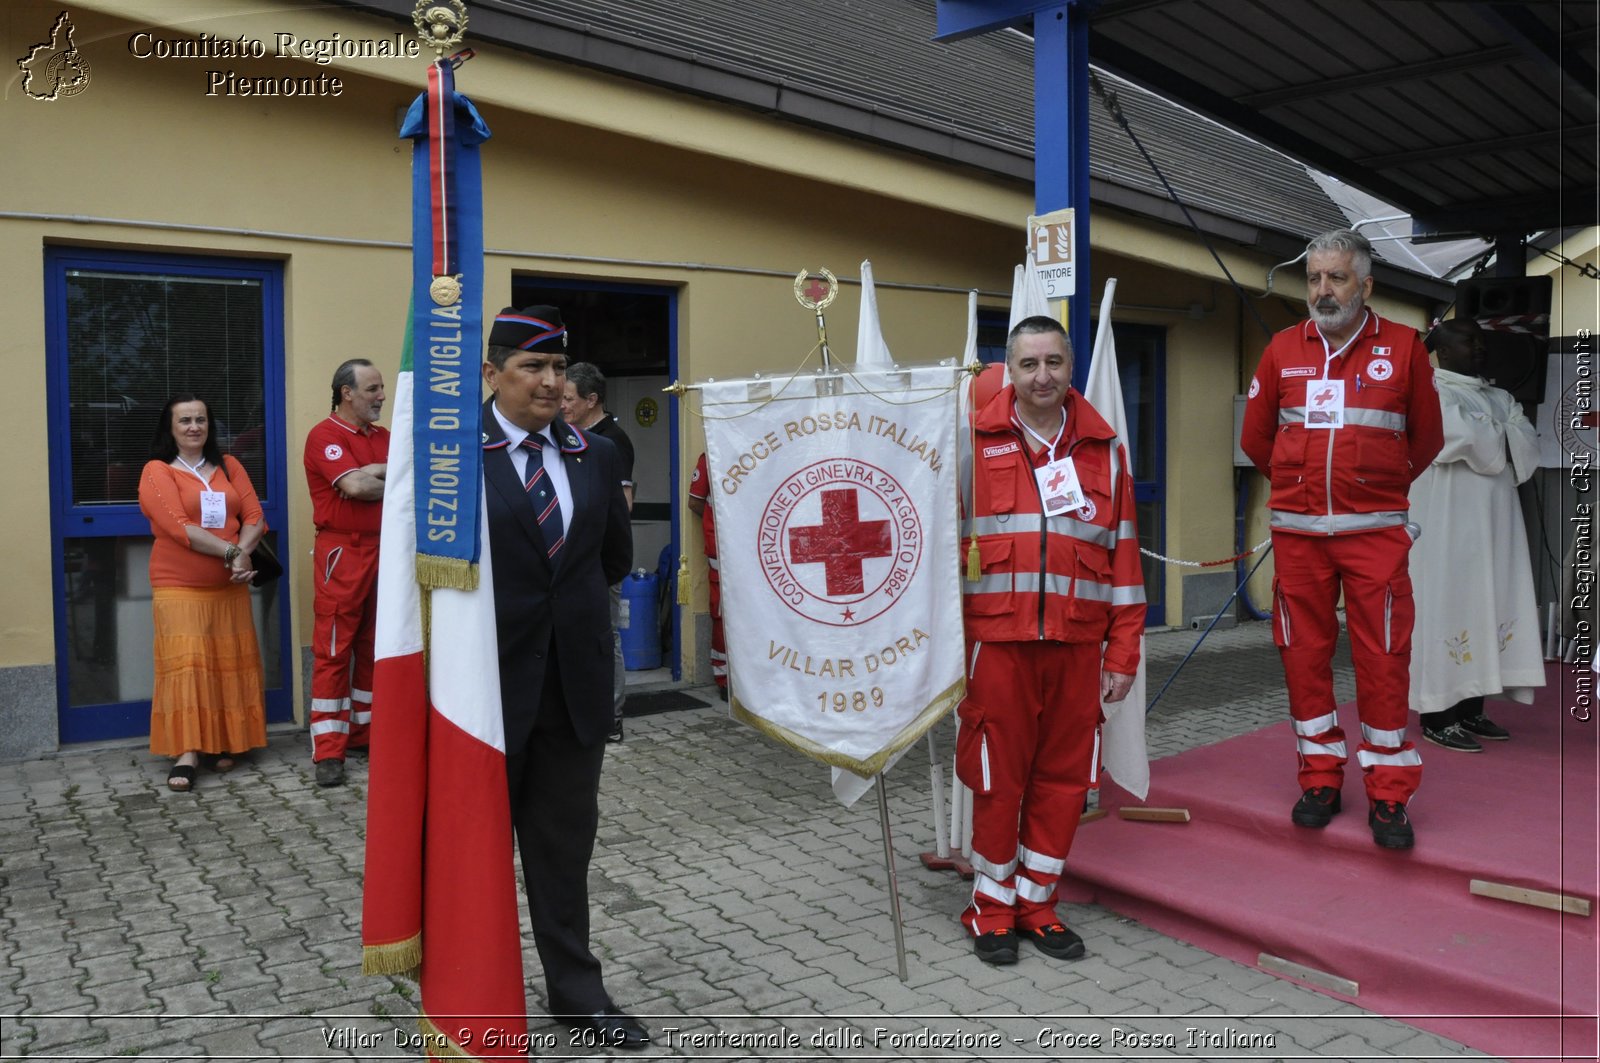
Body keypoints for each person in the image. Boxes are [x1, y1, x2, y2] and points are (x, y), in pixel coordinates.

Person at [1240, 229, 1444, 850]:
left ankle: (1388, 795)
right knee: (1302, 658)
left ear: (1366, 284)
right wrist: (1304, 490)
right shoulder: (1281, 349)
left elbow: (1426, 441)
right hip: (1299, 538)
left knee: (1383, 660)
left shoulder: (1405, 348)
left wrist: (1371, 491)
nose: (1323, 291)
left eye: (1337, 278)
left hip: (1374, 537)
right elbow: (1256, 440)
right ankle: (1320, 781)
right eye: (1314, 279)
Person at [957, 315, 1145, 965]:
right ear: (1008, 371)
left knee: (1065, 779)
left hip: (1077, 646)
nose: (1042, 376)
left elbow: (1124, 561)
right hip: (996, 644)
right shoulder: (969, 443)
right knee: (997, 779)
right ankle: (991, 905)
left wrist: (1123, 653)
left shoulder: (1106, 449)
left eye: (1054, 363)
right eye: (1029, 364)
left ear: (1072, 368)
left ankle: (1038, 901)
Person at [479, 306, 643, 1047]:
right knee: (472, 855)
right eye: (533, 368)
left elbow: (609, 560)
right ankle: (475, 995)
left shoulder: (594, 454)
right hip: (479, 698)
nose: (552, 383)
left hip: (571, 694)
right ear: (493, 374)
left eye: (558, 368)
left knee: (562, 852)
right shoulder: (452, 457)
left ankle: (577, 993)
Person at [1408, 318, 1544, 750]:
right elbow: (1455, 436)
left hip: (1497, 523)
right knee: (1449, 604)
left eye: (1481, 340)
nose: (1480, 347)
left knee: (1491, 601)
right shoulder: (1428, 390)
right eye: (1469, 340)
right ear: (1443, 351)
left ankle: (1472, 709)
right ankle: (1437, 714)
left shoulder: (1500, 396)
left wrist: (1489, 435)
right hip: (1447, 523)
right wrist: (1496, 436)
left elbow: (1527, 446)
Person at [137, 394, 269, 792]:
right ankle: (188, 752)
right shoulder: (157, 471)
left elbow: (255, 517)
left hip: (228, 588)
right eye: (185, 421)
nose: (194, 427)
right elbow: (179, 528)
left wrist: (240, 556)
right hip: (179, 587)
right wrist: (233, 552)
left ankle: (228, 741)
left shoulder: (229, 466)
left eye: (201, 419)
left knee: (227, 664)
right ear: (170, 429)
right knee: (189, 667)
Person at [303, 359, 388, 788]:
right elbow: (355, 488)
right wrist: (371, 477)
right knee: (334, 650)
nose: (381, 397)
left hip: (385, 552)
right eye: (372, 389)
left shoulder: (385, 438)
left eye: (381, 388)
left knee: (376, 647)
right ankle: (329, 752)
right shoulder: (325, 435)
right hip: (343, 552)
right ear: (346, 393)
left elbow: (394, 483)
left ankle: (363, 734)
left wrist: (375, 473)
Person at [561, 362, 635, 742]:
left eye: (569, 398)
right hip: (572, 562)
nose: (561, 404)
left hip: (598, 561)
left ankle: (612, 716)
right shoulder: (567, 436)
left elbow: (623, 507)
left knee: (607, 638)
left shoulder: (612, 441)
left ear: (592, 400)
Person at [686, 452, 727, 699]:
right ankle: (724, 678)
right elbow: (696, 501)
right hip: (721, 552)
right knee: (722, 616)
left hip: (752, 553)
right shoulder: (711, 454)